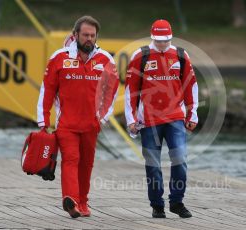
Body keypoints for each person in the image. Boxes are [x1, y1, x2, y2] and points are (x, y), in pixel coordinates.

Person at [37, 16, 119, 218]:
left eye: (92, 35)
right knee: (71, 159)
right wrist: (43, 121)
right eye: (85, 35)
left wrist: (103, 118)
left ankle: (83, 202)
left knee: (86, 164)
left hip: (92, 125)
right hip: (67, 125)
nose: (89, 39)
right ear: (75, 35)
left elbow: (112, 92)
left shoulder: (106, 60)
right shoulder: (59, 58)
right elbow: (47, 90)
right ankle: (71, 200)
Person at [125, 19, 198, 218]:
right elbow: (131, 90)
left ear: (171, 37)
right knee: (153, 165)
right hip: (148, 121)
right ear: (152, 37)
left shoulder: (182, 55)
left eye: (165, 40)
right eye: (158, 40)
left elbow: (191, 86)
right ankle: (157, 205)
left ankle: (177, 202)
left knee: (180, 159)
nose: (162, 44)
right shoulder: (141, 56)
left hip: (175, 117)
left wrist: (193, 114)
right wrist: (131, 120)